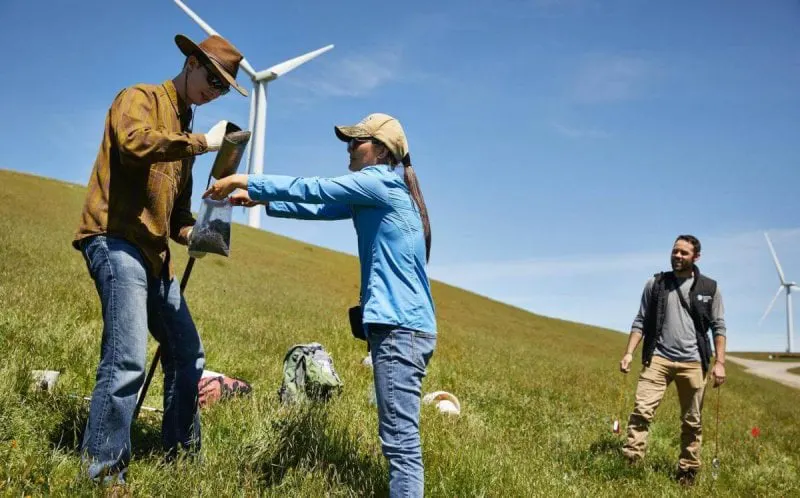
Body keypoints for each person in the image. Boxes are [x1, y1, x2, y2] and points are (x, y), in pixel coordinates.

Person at [204, 113, 437, 497]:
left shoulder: (376, 182)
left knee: (401, 444)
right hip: (406, 328)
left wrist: (247, 178)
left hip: (400, 330)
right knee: (399, 437)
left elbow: (317, 188)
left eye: (356, 141)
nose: (348, 147)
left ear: (380, 149)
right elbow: (319, 207)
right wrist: (264, 200)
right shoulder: (388, 191)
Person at [72, 33, 247, 483]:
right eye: (211, 76)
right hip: (116, 239)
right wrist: (201, 144)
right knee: (127, 358)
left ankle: (180, 458)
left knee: (189, 354)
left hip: (155, 252)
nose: (214, 89)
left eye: (223, 86)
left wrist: (202, 233)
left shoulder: (188, 130)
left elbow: (177, 218)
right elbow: (133, 143)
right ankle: (104, 472)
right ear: (190, 62)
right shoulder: (140, 98)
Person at [618, 234, 727, 486]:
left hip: (693, 362)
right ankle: (630, 462)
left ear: (695, 257)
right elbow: (640, 321)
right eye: (675, 251)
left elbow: (719, 327)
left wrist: (719, 363)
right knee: (641, 412)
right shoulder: (655, 283)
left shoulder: (710, 288)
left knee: (692, 421)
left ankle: (687, 470)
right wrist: (629, 353)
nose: (677, 256)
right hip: (658, 358)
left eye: (684, 253)